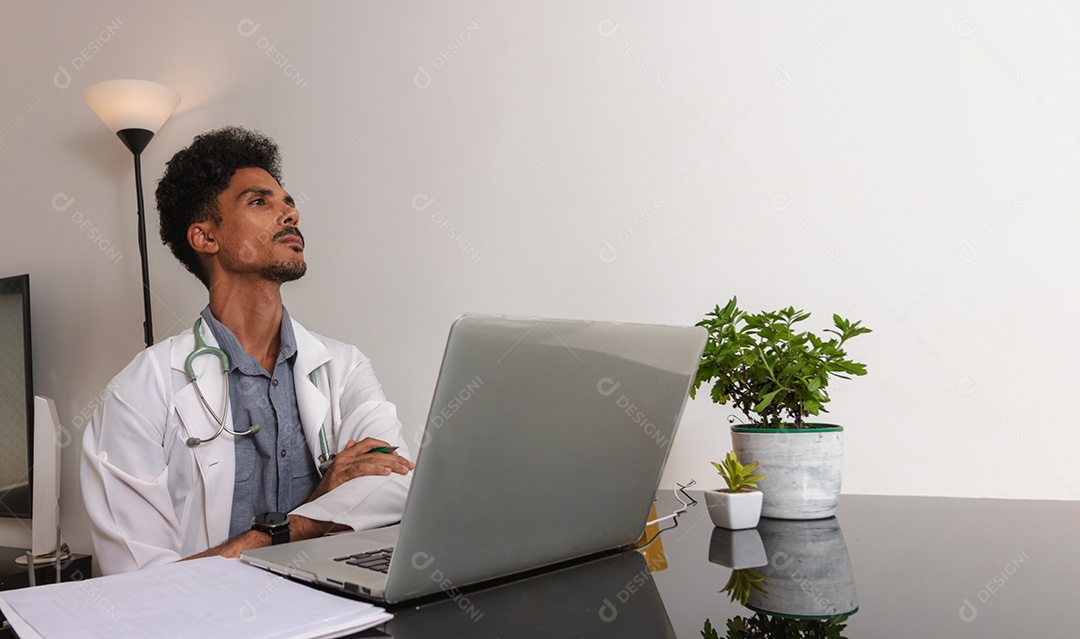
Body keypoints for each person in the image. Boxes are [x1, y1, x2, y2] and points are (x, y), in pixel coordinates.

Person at [81, 126, 414, 575]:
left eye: (288, 202)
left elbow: (396, 482)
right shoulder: (139, 392)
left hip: (335, 608)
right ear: (205, 238)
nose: (290, 214)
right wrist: (303, 520)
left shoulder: (344, 367)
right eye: (260, 202)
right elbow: (139, 585)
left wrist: (276, 531)